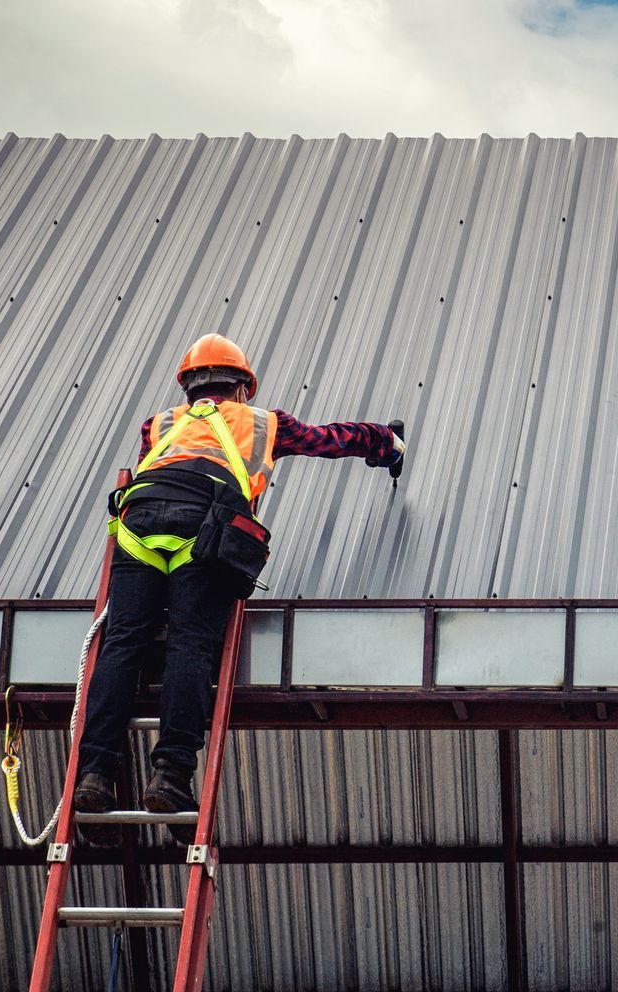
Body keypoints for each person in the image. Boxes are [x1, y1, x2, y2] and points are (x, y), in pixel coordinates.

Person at [72, 333, 402, 845]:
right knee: (190, 644)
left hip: (137, 526)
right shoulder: (265, 422)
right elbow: (333, 439)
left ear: (189, 389)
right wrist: (387, 442)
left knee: (121, 645)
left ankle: (94, 775)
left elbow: (155, 470)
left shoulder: (158, 425)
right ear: (244, 388)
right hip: (203, 531)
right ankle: (171, 775)